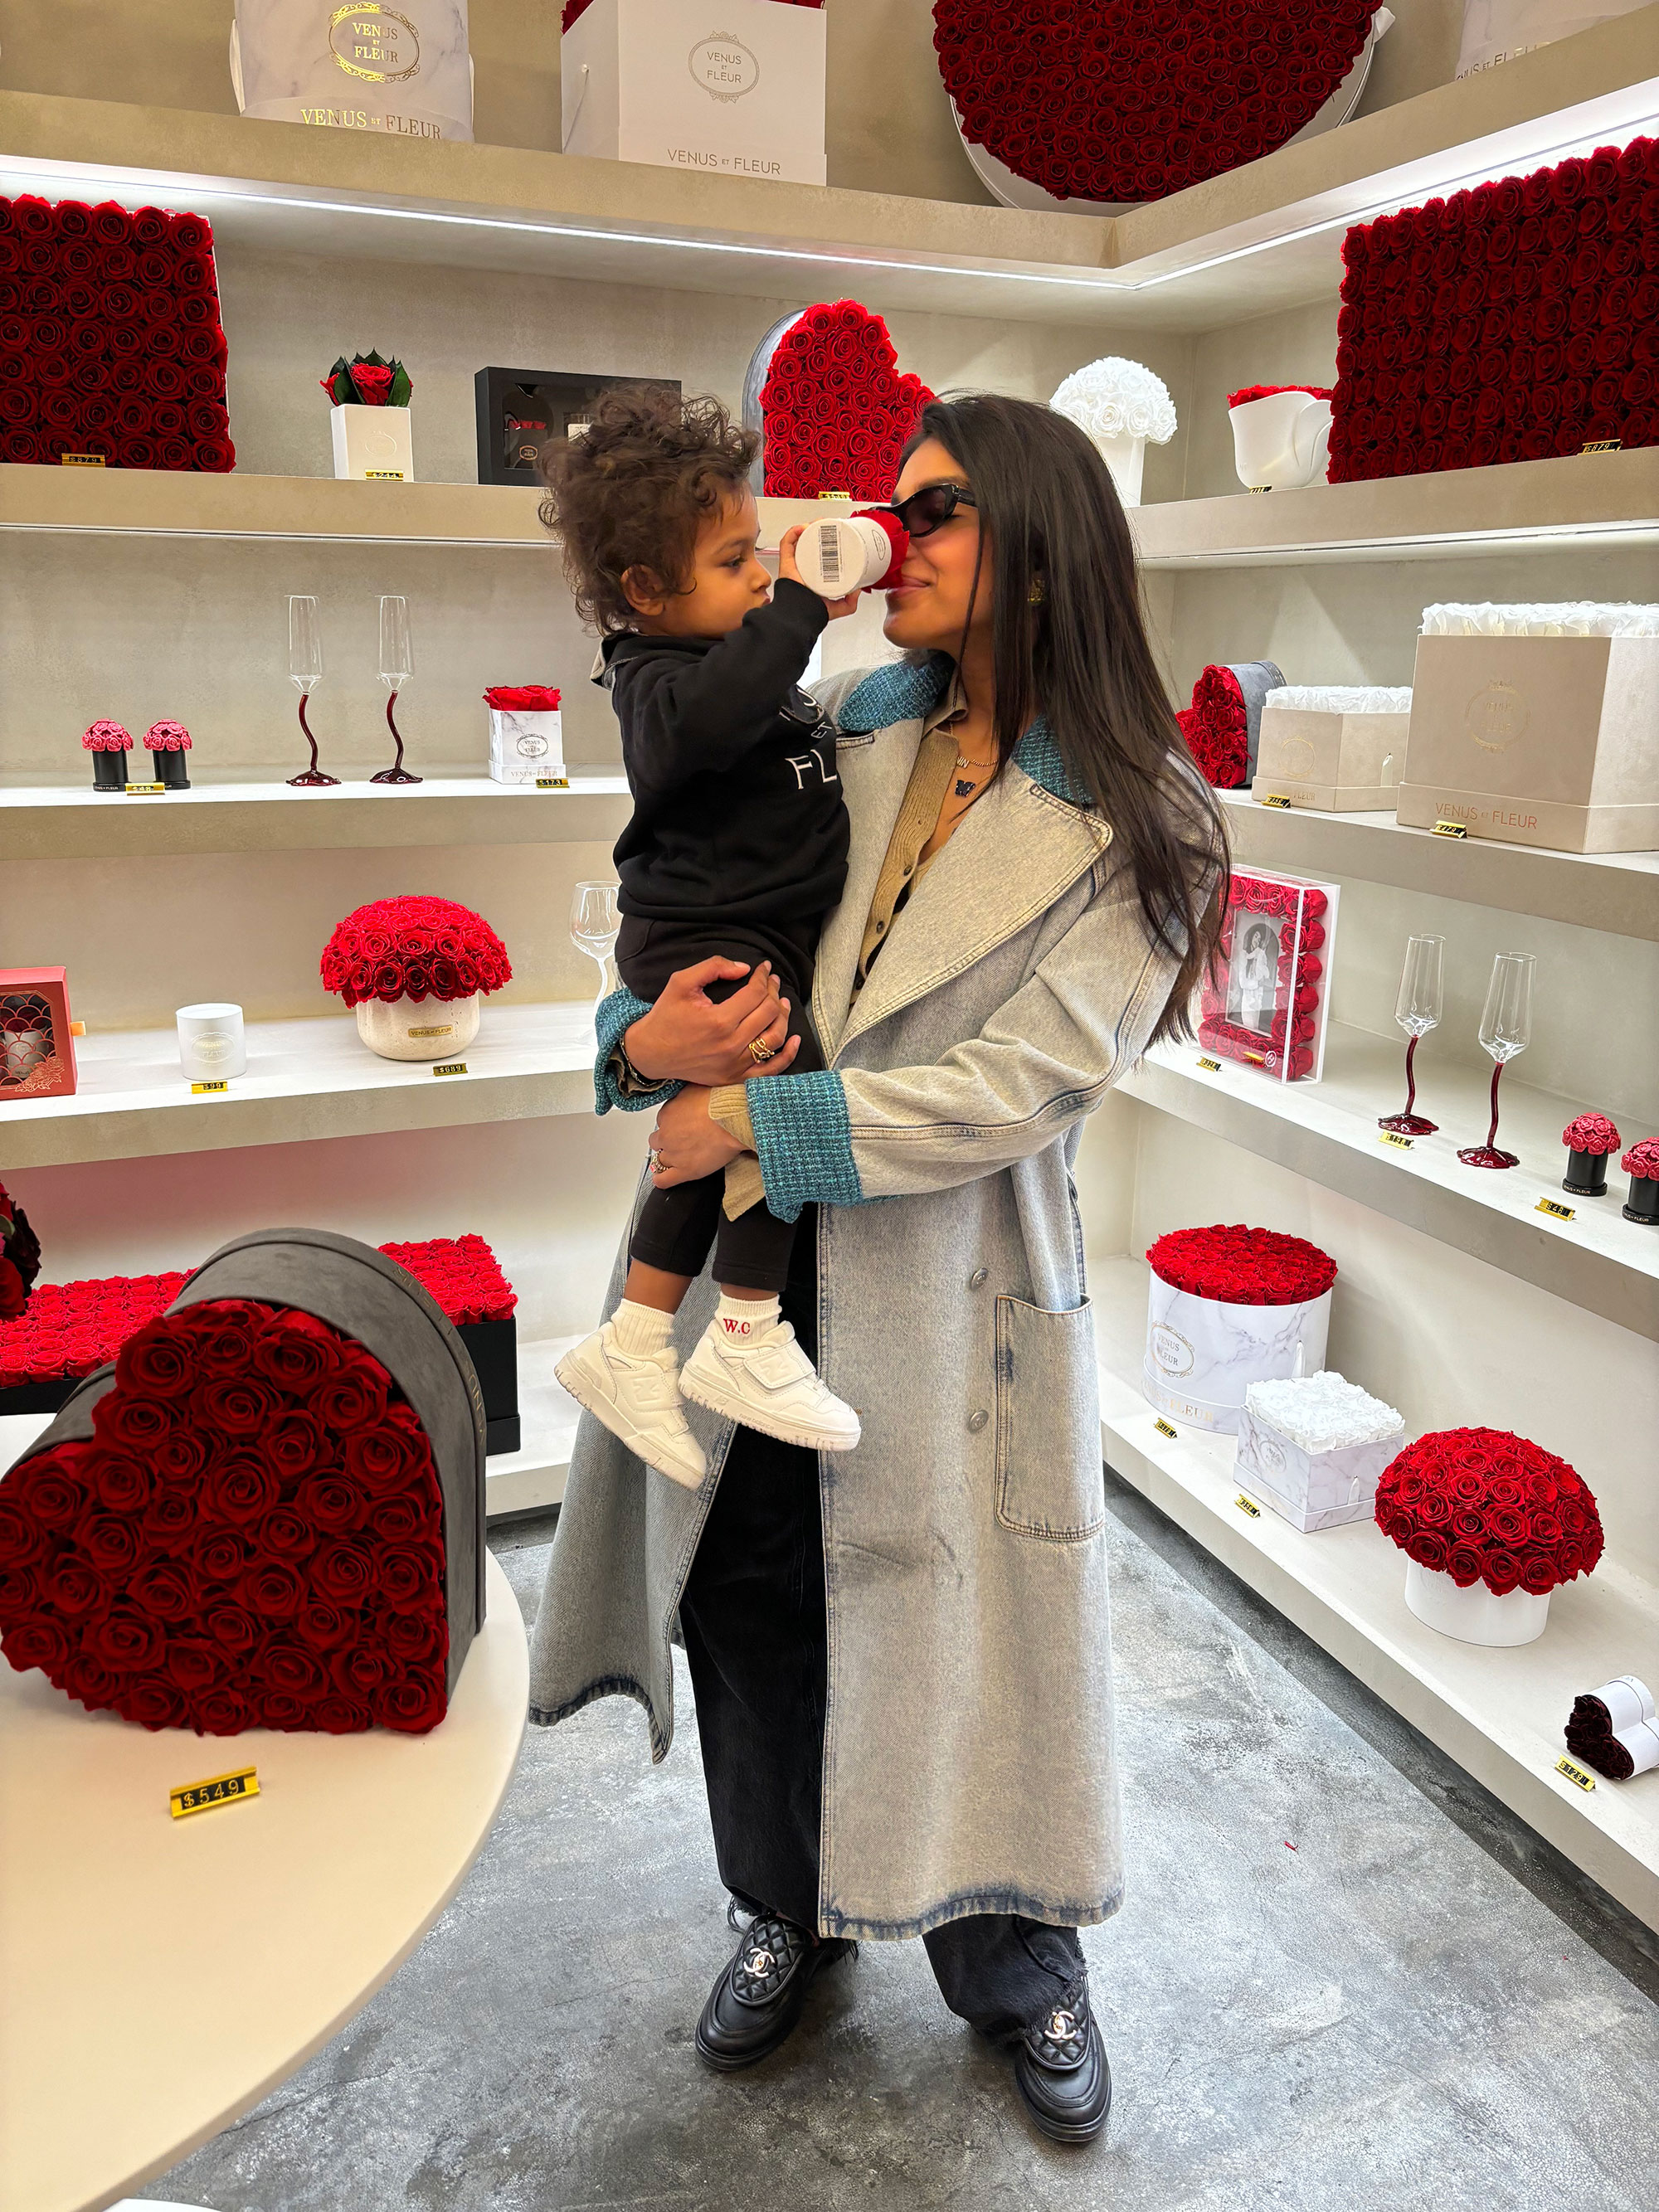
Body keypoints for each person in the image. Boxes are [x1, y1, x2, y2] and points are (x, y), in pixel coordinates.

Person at [528, 392, 1228, 2146]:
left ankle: (1021, 1962)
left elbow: (1025, 1083)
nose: (877, 532)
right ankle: (785, 1906)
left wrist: (758, 1125)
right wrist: (639, 1039)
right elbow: (680, 902)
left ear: (1040, 549)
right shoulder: (839, 717)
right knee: (753, 1605)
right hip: (747, 1284)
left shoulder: (1149, 819)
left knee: (974, 1629)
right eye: (890, 502)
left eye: (933, 510)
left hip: (957, 1285)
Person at [544, 389, 865, 1489]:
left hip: (748, 933)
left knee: (719, 1136)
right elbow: (717, 716)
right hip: (702, 939)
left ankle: (637, 1342)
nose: (763, 581)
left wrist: (799, 607)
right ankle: (745, 1329)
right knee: (786, 1092)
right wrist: (801, 611)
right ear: (646, 591)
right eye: (736, 563)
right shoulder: (658, 682)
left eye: (760, 556)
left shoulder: (731, 660)